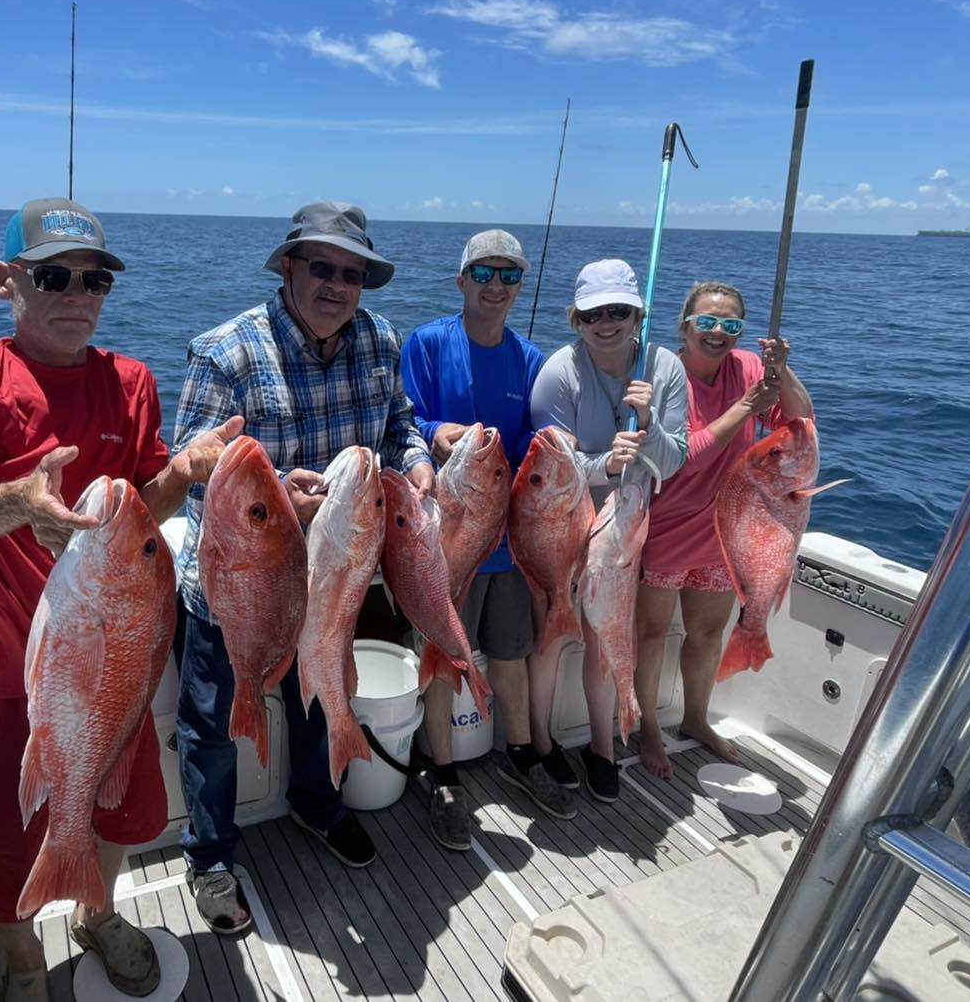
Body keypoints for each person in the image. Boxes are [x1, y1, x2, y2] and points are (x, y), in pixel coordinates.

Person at [0, 198, 240, 1002]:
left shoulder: (130, 382)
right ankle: (22, 962)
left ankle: (96, 913)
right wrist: (18, 500)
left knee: (125, 811)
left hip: (116, 651)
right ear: (4, 281)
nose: (78, 294)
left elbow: (144, 509)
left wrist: (184, 472)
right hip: (5, 666)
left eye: (96, 281)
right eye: (54, 276)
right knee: (3, 835)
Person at [172, 201, 435, 934]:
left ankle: (319, 807)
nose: (336, 285)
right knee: (215, 727)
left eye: (352, 274)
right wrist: (275, 495)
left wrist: (416, 467)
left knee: (322, 701)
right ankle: (212, 857)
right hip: (240, 589)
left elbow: (399, 424)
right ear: (287, 267)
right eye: (320, 266)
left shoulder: (379, 342)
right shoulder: (226, 352)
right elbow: (190, 467)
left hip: (334, 581)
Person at [400, 229, 577, 851]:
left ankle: (523, 751)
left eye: (509, 275)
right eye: (484, 273)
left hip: (507, 542)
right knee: (445, 656)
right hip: (444, 535)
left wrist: (562, 448)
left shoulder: (530, 360)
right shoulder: (425, 343)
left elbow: (537, 441)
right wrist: (435, 428)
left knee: (511, 653)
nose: (497, 286)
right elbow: (402, 417)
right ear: (461, 280)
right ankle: (441, 771)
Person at [634, 281, 812, 778]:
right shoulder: (665, 375)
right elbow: (680, 461)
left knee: (708, 632)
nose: (718, 332)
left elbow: (800, 417)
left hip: (727, 532)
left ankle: (695, 719)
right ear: (684, 326)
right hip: (667, 527)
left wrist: (780, 370)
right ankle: (648, 725)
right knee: (649, 635)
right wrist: (745, 410)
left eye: (731, 325)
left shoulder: (751, 371)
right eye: (707, 322)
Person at [529, 258, 688, 803]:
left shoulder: (664, 369)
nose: (606, 322)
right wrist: (607, 467)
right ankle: (541, 743)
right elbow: (552, 465)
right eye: (592, 313)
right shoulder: (559, 373)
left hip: (622, 532)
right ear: (576, 319)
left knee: (602, 638)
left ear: (637, 314)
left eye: (618, 310)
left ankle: (603, 746)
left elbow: (675, 462)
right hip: (560, 525)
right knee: (549, 638)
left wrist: (650, 427)